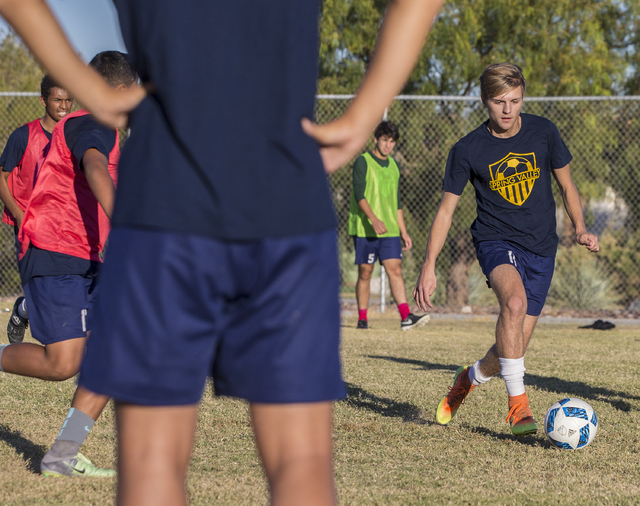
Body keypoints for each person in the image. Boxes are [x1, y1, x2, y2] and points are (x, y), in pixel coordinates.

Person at [0, 0, 445, 504]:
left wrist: (90, 92)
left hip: (160, 208)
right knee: (302, 465)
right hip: (284, 203)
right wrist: (364, 114)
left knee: (152, 467)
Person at [413, 63, 599, 436]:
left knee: (510, 346)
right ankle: (518, 409)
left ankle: (468, 378)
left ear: (522, 97)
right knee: (513, 304)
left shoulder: (544, 132)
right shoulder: (467, 149)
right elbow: (446, 211)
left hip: (542, 247)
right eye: (499, 102)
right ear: (485, 101)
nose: (508, 109)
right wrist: (429, 264)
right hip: (495, 240)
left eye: (514, 101)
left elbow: (567, 185)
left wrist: (579, 228)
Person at [0, 51, 137, 477]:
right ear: (119, 92)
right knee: (63, 364)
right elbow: (95, 168)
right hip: (56, 250)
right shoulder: (89, 123)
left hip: (89, 257)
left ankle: (62, 454)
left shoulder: (110, 130)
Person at [0, 75, 74, 343]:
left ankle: (23, 309)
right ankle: (24, 310)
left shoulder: (75, 136)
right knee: (42, 290)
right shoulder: (23, 136)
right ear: (44, 101)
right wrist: (19, 214)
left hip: (65, 228)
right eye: (58, 100)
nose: (64, 105)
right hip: (29, 226)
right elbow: (1, 176)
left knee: (63, 289)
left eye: (68, 100)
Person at [349, 120, 429, 330]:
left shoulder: (394, 165)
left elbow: (397, 202)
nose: (388, 145)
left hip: (390, 230)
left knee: (395, 269)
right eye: (385, 140)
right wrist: (374, 219)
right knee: (365, 272)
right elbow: (359, 194)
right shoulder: (363, 161)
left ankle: (406, 317)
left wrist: (404, 232)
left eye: (392, 141)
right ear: (376, 139)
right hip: (366, 228)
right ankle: (363, 319)